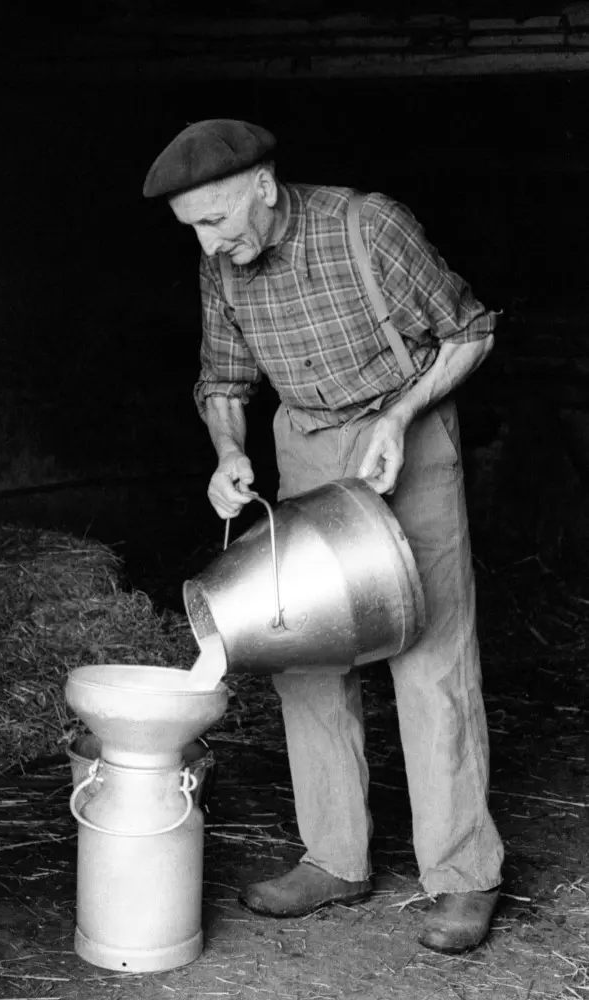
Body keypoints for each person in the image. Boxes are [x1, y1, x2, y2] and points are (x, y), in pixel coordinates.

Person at [143, 119, 504, 954]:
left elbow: (470, 331)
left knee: (429, 655)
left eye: (218, 219)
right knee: (301, 653)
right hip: (302, 443)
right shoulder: (219, 265)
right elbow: (223, 377)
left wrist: (402, 414)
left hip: (401, 438)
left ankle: (460, 877)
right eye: (194, 227)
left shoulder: (366, 226)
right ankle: (335, 857)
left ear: (264, 185)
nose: (210, 241)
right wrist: (229, 449)